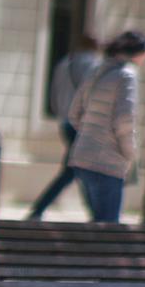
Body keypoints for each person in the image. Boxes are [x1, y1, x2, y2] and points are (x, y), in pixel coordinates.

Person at [67, 30, 145, 222]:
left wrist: (90, 135)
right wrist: (130, 154)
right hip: (107, 164)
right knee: (109, 227)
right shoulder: (127, 75)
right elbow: (125, 121)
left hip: (82, 157)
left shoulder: (97, 71)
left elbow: (74, 114)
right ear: (138, 53)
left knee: (97, 225)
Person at [28, 35, 100, 220]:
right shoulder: (94, 66)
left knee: (77, 169)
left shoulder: (64, 63)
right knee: (76, 169)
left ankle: (95, 213)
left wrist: (60, 113)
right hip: (83, 125)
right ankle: (39, 209)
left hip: (66, 122)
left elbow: (53, 94)